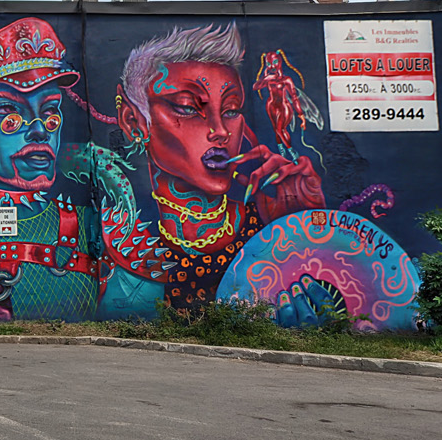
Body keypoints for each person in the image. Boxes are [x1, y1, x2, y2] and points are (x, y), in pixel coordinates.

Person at [0, 17, 152, 322]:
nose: (40, 132)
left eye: (49, 113)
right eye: (8, 112)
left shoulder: (100, 228)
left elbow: (134, 313)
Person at [109, 24, 325, 311]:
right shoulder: (122, 238)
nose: (221, 131)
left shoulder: (264, 224)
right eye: (188, 107)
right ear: (133, 121)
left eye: (231, 110)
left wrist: (304, 229)